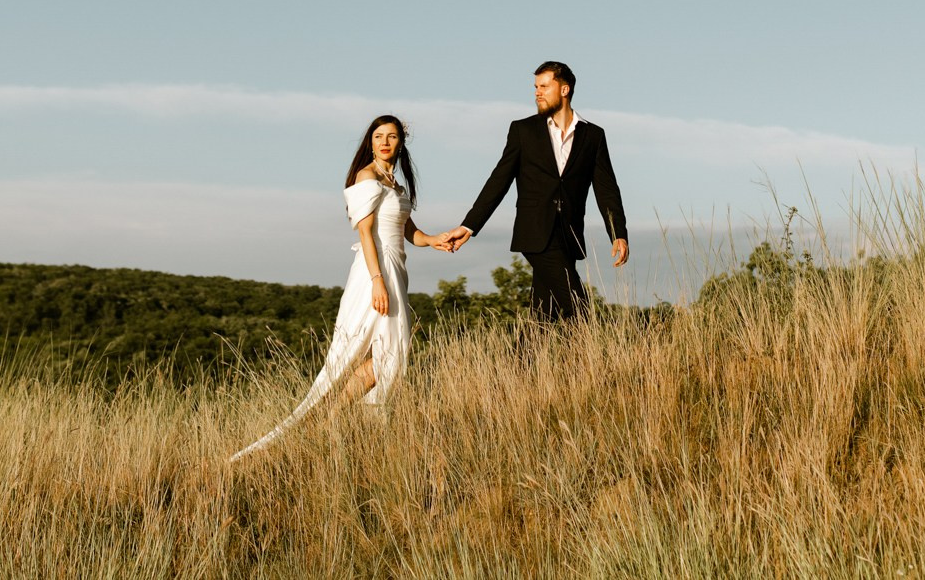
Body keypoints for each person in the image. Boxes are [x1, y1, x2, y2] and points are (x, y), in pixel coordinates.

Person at [230, 114, 454, 461]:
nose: (384, 142)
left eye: (392, 136)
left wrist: (436, 240)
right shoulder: (366, 177)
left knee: (389, 357)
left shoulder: (396, 185)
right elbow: (365, 233)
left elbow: (410, 232)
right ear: (370, 141)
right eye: (378, 136)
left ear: (400, 143)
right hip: (372, 273)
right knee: (367, 357)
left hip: (396, 270)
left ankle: (338, 424)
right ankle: (325, 423)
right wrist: (377, 281)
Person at [435, 61, 629, 320]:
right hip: (535, 232)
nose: (537, 92)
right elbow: (499, 180)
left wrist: (617, 233)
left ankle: (523, 360)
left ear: (564, 89)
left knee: (542, 315)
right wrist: (469, 226)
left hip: (569, 235)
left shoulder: (593, 136)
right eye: (535, 87)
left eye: (545, 86)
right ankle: (593, 357)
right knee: (578, 305)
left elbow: (606, 188)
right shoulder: (523, 130)